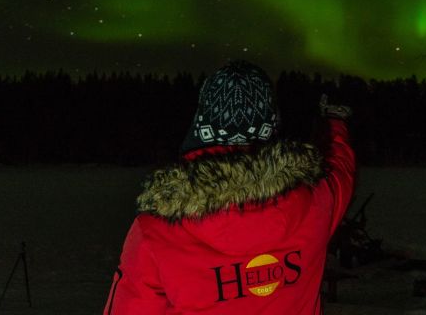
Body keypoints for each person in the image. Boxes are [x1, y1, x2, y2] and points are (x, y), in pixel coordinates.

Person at [103, 60, 355, 314]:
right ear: (271, 124)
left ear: (200, 125)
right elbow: (341, 167)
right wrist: (334, 122)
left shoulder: (155, 230)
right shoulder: (317, 202)